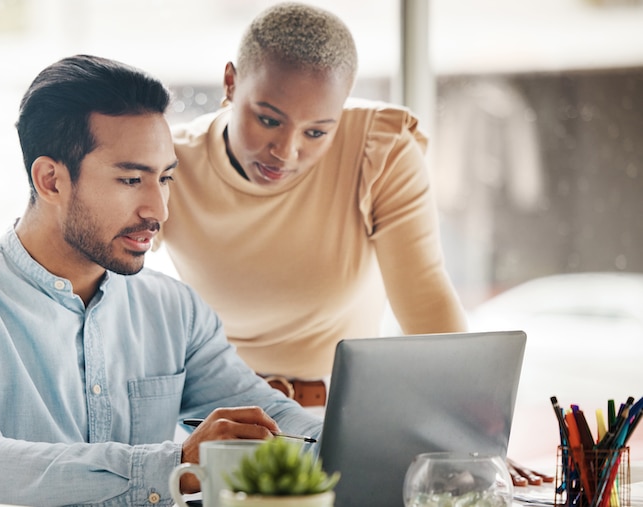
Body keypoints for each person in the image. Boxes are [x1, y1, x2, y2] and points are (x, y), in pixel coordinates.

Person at [0, 54, 321, 507]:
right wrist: (174, 464)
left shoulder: (175, 311)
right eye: (132, 179)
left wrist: (352, 441)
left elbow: (273, 420)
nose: (158, 210)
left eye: (164, 178)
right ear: (51, 180)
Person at [158, 2, 467, 402]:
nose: (285, 152)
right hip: (217, 415)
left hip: (341, 416)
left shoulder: (380, 149)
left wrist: (470, 433)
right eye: (268, 120)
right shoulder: (170, 162)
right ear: (231, 83)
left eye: (317, 133)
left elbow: (426, 303)